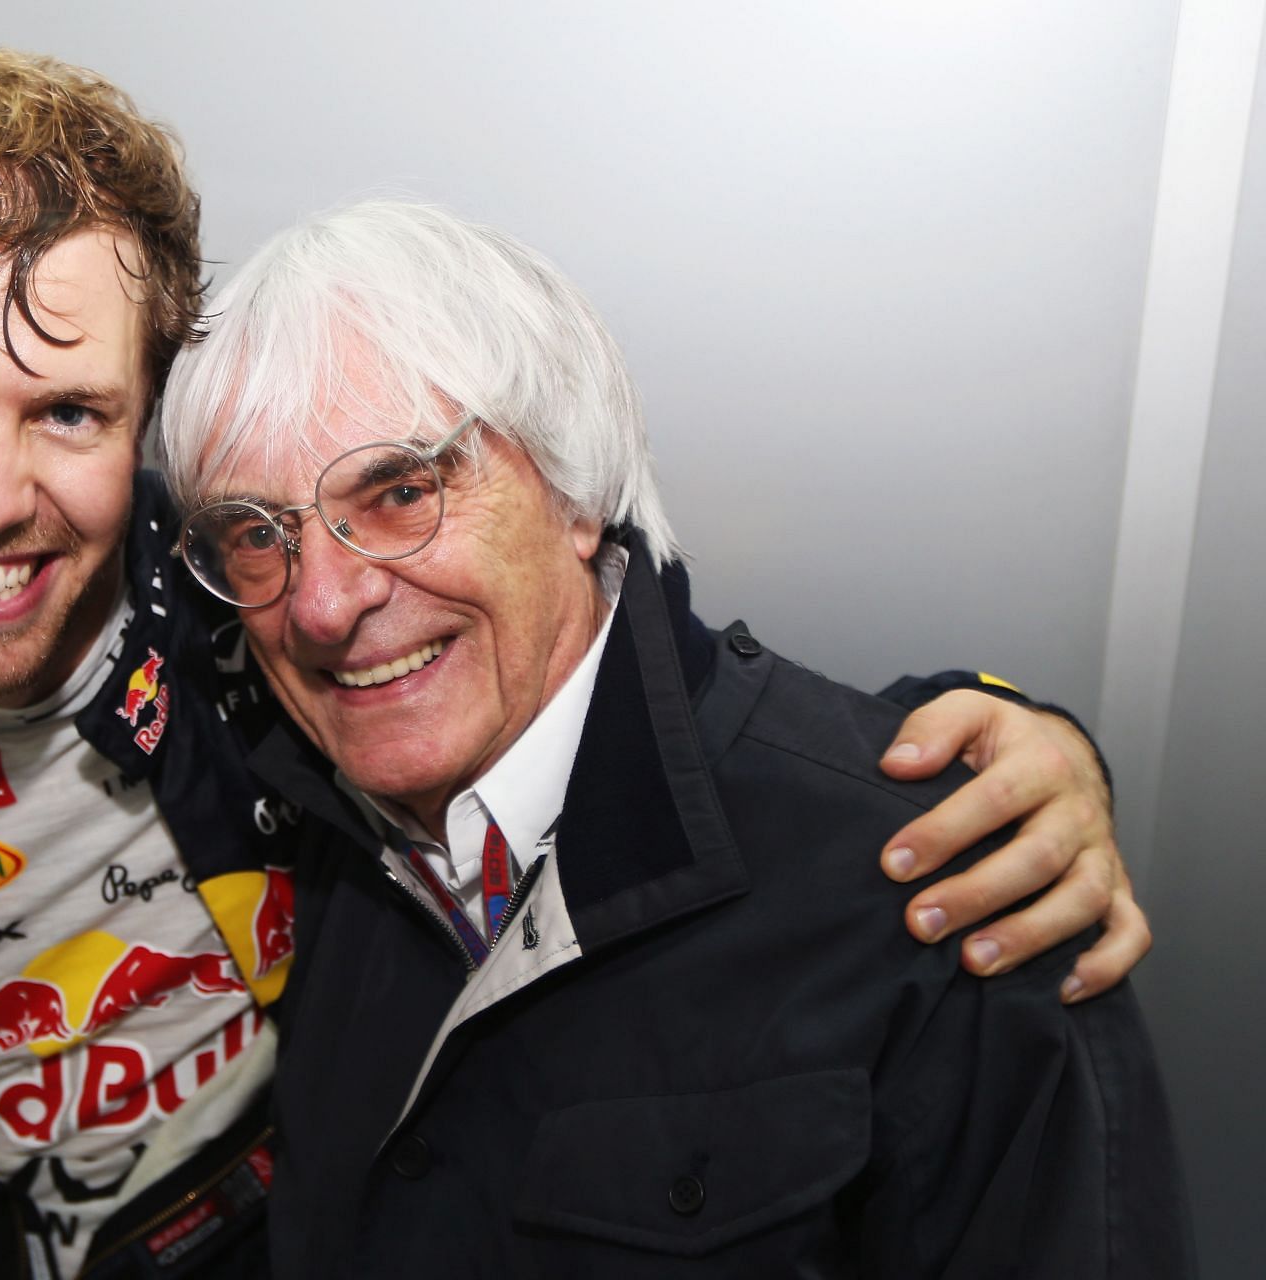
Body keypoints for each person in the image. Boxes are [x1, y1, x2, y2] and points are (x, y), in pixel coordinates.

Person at [0, 51, 1147, 1280]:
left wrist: (1013, 740)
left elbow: (648, 705)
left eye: (67, 412)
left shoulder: (228, 641)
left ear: (141, 428)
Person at [157, 200, 1191, 1276]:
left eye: (403, 490)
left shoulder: (959, 891)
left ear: (576, 492)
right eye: (256, 532)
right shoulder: (292, 815)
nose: (323, 604)